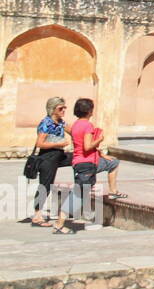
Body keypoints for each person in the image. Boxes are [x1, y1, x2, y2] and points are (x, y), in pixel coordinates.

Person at [52, 98, 122, 234]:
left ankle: (113, 191)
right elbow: (87, 146)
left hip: (87, 163)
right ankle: (59, 224)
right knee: (78, 195)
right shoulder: (88, 126)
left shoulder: (76, 124)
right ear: (90, 111)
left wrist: (102, 155)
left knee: (113, 163)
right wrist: (99, 139)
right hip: (85, 164)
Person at [27, 96, 71, 227]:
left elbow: (73, 131)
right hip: (47, 157)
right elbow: (40, 143)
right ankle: (37, 215)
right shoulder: (46, 123)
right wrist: (59, 144)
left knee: (78, 159)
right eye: (60, 108)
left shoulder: (61, 122)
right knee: (45, 185)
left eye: (64, 108)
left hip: (59, 155)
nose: (63, 110)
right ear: (53, 109)